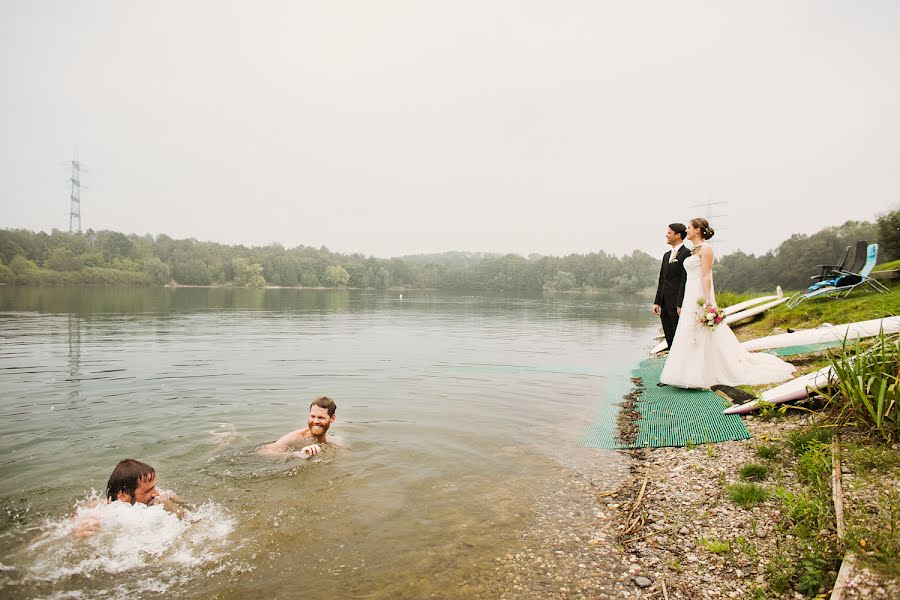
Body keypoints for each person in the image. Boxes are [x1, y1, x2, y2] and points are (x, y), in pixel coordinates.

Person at [659, 218, 795, 389]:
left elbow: (706, 275)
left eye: (689, 228)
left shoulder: (707, 249)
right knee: (688, 329)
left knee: (703, 330)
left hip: (699, 293)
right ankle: (684, 372)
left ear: (698, 230)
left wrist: (707, 298)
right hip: (689, 294)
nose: (687, 230)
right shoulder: (693, 250)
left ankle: (705, 373)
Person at [72, 459, 171, 537]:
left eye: (154, 487)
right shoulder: (101, 513)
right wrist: (77, 534)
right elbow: (67, 528)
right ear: (123, 496)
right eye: (148, 491)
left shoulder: (157, 500)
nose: (156, 494)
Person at [258, 396, 341, 458]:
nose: (315, 421)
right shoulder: (295, 437)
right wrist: (297, 454)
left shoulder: (334, 441)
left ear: (332, 418)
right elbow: (262, 451)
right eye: (312, 416)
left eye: (320, 417)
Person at [652, 223, 691, 350]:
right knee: (668, 332)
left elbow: (684, 281)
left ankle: (681, 358)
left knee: (678, 333)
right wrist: (657, 302)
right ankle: (671, 358)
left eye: (669, 233)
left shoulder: (687, 253)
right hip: (665, 302)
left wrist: (680, 303)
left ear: (678, 235)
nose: (666, 235)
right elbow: (662, 279)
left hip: (677, 303)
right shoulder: (666, 255)